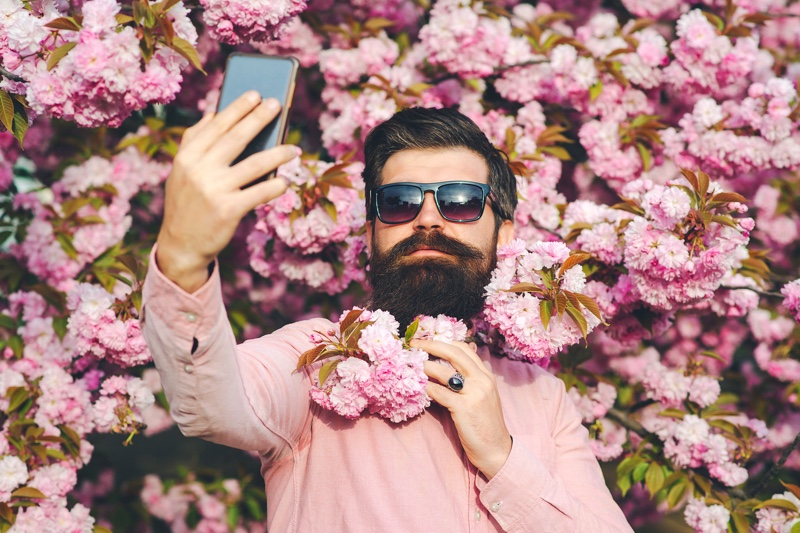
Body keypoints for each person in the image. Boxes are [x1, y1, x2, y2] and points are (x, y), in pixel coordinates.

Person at [142, 91, 634, 532]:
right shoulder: (316, 359)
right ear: (371, 233)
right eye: (398, 203)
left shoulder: (542, 398)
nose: (428, 218)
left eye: (460, 202)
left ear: (502, 232)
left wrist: (502, 457)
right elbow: (209, 402)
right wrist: (183, 258)